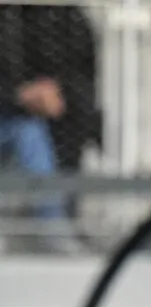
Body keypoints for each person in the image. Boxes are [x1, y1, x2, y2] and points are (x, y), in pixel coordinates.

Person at [0, 1, 98, 251]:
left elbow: (81, 77)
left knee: (30, 131)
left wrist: (53, 93)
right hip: (11, 111)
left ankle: (53, 225)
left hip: (25, 117)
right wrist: (20, 96)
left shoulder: (65, 18)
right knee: (27, 130)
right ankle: (53, 225)